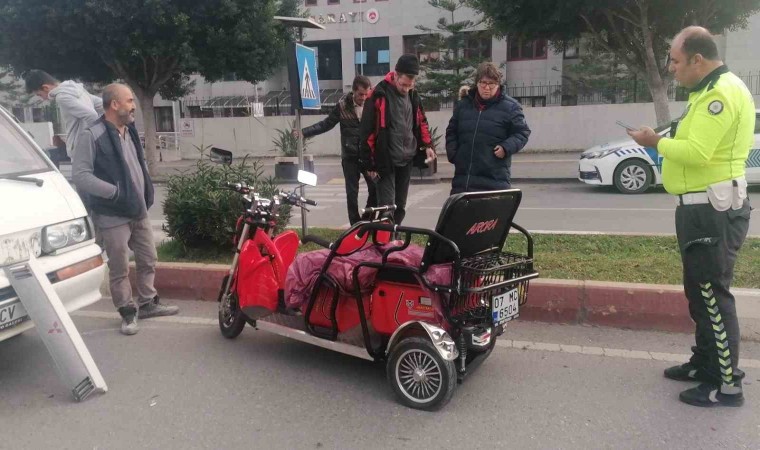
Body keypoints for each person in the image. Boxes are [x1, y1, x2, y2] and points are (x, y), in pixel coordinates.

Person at [628, 26, 753, 407]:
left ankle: (726, 384)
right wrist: (662, 138)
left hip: (711, 210)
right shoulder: (707, 91)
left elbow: (698, 153)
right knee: (699, 293)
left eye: (676, 61)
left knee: (712, 296)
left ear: (698, 59)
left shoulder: (719, 94)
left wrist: (656, 142)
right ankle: (705, 363)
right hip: (700, 208)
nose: (671, 68)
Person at [73, 83, 179, 336]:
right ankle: (127, 311)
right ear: (114, 104)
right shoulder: (92, 135)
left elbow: (137, 165)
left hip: (138, 209)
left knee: (148, 258)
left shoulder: (129, 131)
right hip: (112, 214)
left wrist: (145, 189)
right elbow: (81, 175)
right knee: (119, 266)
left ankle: (148, 302)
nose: (133, 106)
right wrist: (115, 192)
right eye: (130, 101)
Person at [359, 54, 436, 225]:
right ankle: (384, 239)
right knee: (387, 208)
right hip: (385, 160)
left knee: (400, 206)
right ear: (395, 75)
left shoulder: (413, 95)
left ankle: (393, 236)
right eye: (403, 84)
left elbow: (421, 121)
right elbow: (366, 132)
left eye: (410, 85)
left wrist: (427, 145)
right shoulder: (378, 94)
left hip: (406, 159)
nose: (406, 89)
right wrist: (370, 164)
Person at [296, 75, 376, 224]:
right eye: (360, 94)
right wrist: (304, 132)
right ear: (353, 91)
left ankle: (366, 221)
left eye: (366, 94)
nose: (363, 98)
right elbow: (326, 124)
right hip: (350, 157)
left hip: (367, 156)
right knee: (352, 194)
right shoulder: (343, 106)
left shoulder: (372, 104)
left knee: (375, 189)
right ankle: (355, 225)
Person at [446, 62, 531, 194]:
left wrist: (506, 147)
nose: (486, 87)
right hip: (463, 181)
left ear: (498, 84)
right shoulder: (463, 105)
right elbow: (452, 131)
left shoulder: (511, 107)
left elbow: (522, 132)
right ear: (477, 83)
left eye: (491, 84)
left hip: (494, 181)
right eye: (483, 83)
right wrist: (454, 154)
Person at [24, 70, 104, 158]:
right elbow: (103, 105)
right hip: (90, 150)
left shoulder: (62, 97)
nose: (42, 98)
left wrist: (98, 140)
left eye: (40, 95)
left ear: (45, 88)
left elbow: (91, 115)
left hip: (82, 151)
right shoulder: (78, 90)